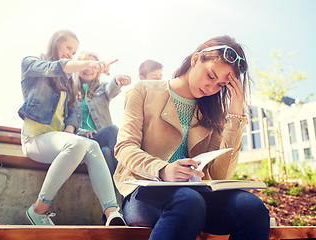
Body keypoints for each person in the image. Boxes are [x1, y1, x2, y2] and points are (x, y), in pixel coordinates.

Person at [114, 35, 270, 240]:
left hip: (198, 197)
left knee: (252, 207)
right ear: (196, 60)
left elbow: (220, 173)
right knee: (188, 200)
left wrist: (235, 116)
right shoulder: (144, 90)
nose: (212, 88)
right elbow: (124, 147)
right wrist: (163, 169)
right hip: (143, 193)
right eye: (210, 76)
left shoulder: (213, 113)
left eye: (221, 85)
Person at [18, 30, 125, 226]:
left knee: (90, 146)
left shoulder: (66, 83)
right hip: (34, 138)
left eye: (74, 52)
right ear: (56, 43)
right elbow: (54, 67)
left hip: (57, 139)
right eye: (68, 48)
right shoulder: (31, 63)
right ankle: (38, 210)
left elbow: (73, 113)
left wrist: (70, 130)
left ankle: (112, 213)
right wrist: (88, 64)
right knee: (78, 144)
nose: (70, 54)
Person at [72, 51, 131, 178]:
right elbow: (67, 121)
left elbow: (111, 89)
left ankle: (120, 196)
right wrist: (82, 132)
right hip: (83, 140)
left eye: (93, 66)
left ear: (98, 70)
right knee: (112, 130)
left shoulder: (102, 89)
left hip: (102, 141)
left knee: (106, 152)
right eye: (85, 65)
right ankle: (130, 176)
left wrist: (116, 80)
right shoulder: (70, 92)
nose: (88, 69)